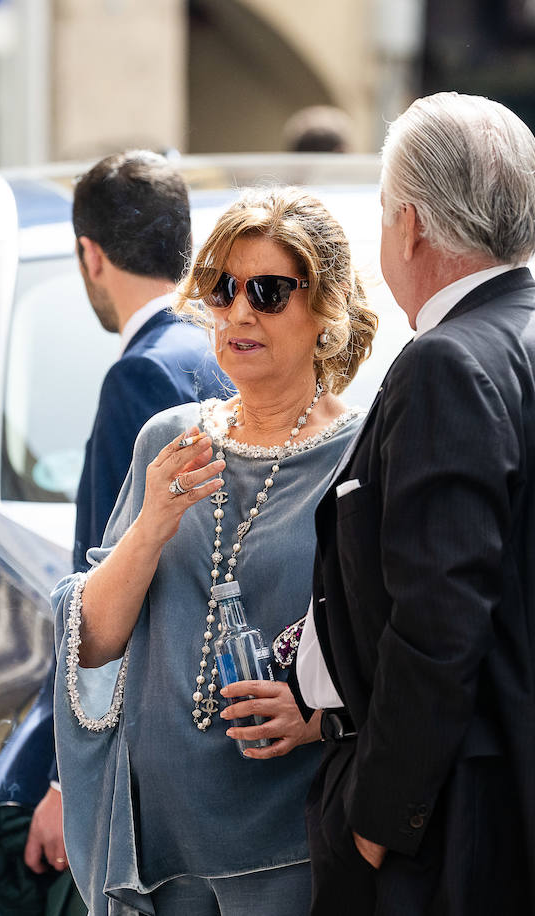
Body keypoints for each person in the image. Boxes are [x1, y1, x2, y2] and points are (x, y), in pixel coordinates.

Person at [299, 91, 535, 915]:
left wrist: (373, 824)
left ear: (409, 225)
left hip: (460, 836)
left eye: (381, 214)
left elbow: (438, 625)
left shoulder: (446, 361)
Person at [52, 186, 376, 915]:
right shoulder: (168, 440)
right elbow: (95, 642)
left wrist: (318, 718)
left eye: (267, 291)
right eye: (222, 288)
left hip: (288, 845)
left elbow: (408, 648)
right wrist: (151, 527)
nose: (238, 314)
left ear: (325, 310)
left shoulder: (363, 455)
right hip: (159, 845)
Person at [0, 150, 230, 884]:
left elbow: (105, 585)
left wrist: (63, 779)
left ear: (91, 255)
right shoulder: (221, 349)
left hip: (141, 747)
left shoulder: (142, 373)